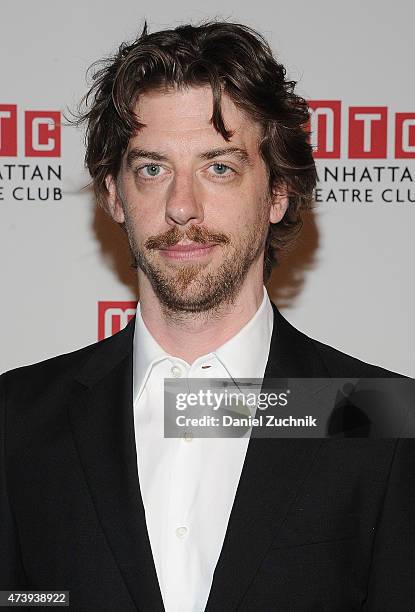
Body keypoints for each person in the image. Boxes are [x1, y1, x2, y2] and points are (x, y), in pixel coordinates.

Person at [1, 20, 414, 612]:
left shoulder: (379, 417)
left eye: (219, 166)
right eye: (152, 168)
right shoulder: (16, 420)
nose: (181, 206)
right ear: (115, 195)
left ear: (277, 193)